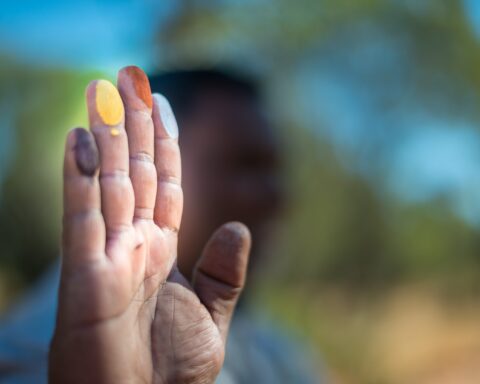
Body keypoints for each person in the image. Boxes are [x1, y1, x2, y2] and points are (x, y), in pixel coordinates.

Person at [0, 66, 321, 383]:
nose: (278, 195)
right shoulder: (31, 359)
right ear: (146, 161)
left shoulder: (275, 352)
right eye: (243, 164)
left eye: (274, 170)